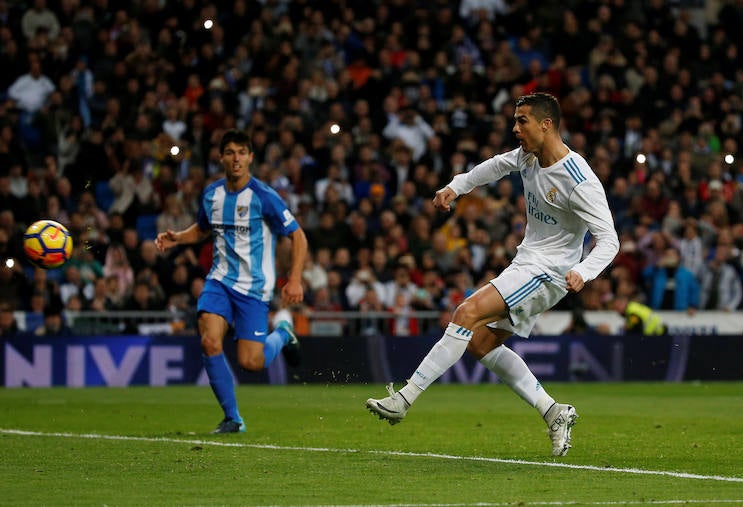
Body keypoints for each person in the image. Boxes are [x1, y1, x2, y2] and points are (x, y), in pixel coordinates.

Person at [366, 93, 619, 456]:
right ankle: (554, 411)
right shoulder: (529, 157)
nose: (515, 129)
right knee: (480, 342)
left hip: (550, 271)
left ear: (547, 124)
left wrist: (584, 270)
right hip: (527, 261)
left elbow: (609, 239)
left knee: (465, 314)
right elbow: (496, 166)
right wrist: (457, 186)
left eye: (522, 121)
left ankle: (404, 399)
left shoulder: (579, 180)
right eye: (515, 121)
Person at [155, 129, 307, 434]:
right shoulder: (212, 194)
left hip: (253, 289)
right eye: (230, 152)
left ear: (250, 157)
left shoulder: (264, 197)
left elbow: (297, 235)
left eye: (241, 152)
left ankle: (283, 334)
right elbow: (202, 229)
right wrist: (178, 239)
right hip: (220, 281)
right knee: (209, 341)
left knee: (252, 362)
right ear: (221, 157)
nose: (235, 158)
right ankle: (233, 418)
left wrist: (294, 279)